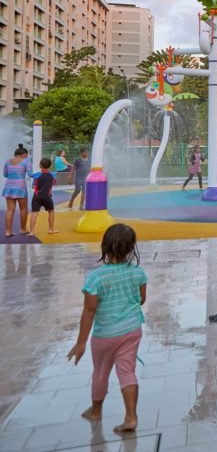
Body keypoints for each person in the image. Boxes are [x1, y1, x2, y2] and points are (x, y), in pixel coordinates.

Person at [67, 224, 147, 434]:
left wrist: (81, 342)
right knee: (127, 372)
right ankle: (131, 417)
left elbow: (89, 311)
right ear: (131, 248)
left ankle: (96, 411)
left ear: (104, 246)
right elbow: (141, 300)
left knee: (101, 373)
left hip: (105, 335)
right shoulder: (138, 272)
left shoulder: (96, 277)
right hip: (132, 331)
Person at [3, 144, 31, 237]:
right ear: (24, 154)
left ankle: (8, 231)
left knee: (10, 209)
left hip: (9, 186)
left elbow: (5, 174)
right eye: (27, 155)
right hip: (20, 187)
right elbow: (30, 174)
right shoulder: (26, 161)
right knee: (23, 208)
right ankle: (23, 229)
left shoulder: (7, 161)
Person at [28, 157, 58, 235]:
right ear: (50, 166)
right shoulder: (53, 174)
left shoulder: (37, 175)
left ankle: (31, 231)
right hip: (47, 197)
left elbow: (31, 177)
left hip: (37, 196)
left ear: (40, 165)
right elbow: (54, 183)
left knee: (34, 213)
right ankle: (51, 229)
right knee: (51, 211)